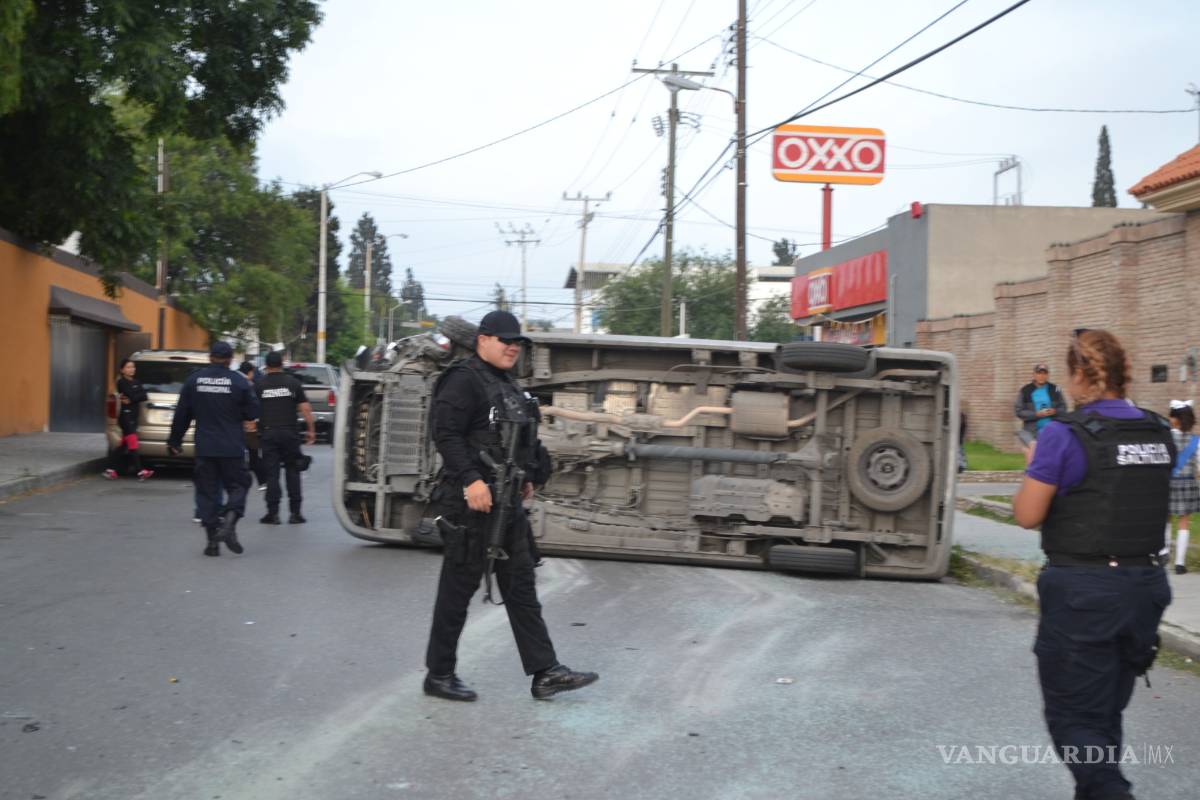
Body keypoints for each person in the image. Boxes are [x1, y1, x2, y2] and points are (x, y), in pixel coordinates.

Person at [1013, 329, 1173, 800]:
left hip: (1086, 594)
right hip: (1144, 588)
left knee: (1075, 721)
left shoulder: (1064, 433)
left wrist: (1035, 463)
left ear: (1080, 375)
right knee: (1103, 716)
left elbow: (1027, 515)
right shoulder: (1156, 429)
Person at [423, 310, 598, 702]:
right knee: (457, 591)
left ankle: (545, 672)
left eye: (517, 343)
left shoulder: (508, 385)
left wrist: (532, 475)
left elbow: (521, 440)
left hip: (506, 505)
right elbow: (445, 433)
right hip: (470, 506)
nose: (512, 348)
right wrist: (471, 479)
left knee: (521, 589)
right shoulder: (463, 379)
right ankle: (439, 674)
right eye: (505, 341)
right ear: (483, 339)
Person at [168, 341, 259, 557]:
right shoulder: (239, 382)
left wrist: (174, 441)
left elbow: (182, 414)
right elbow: (253, 411)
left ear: (210, 357)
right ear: (230, 360)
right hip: (231, 447)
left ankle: (212, 544)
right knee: (240, 485)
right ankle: (229, 521)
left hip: (205, 447)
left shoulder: (194, 381)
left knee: (207, 493)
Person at [255, 351, 316, 525]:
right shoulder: (293, 383)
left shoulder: (259, 385)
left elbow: (252, 410)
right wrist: (311, 430)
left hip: (268, 433)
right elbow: (305, 409)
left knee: (272, 474)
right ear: (282, 364)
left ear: (266, 366)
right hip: (290, 434)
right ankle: (295, 513)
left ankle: (272, 514)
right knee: (293, 471)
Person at [102, 358, 153, 481]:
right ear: (122, 370)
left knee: (123, 445)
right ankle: (140, 471)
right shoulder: (121, 382)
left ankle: (110, 470)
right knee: (133, 443)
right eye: (128, 367)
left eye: (133, 367)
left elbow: (144, 396)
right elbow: (132, 394)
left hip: (134, 416)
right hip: (125, 416)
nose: (132, 369)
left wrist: (132, 398)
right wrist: (134, 396)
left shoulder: (137, 381)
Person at [1166, 400, 1200, 575]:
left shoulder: (1165, 437)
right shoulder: (1196, 440)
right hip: (1187, 483)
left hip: (1167, 482)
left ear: (1174, 419)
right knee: (1184, 522)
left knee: (1166, 519)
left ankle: (1163, 554)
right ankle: (1180, 563)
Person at [1014, 362, 1068, 441]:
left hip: (1052, 431)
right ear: (1034, 374)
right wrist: (1036, 414)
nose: (1042, 376)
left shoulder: (1056, 388)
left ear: (1047, 375)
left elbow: (1063, 407)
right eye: (1039, 373)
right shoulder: (1025, 390)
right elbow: (1018, 411)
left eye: (1044, 373)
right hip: (1032, 433)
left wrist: (1055, 411)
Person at [238, 360, 268, 491]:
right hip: (250, 427)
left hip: (235, 426)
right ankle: (263, 481)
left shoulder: (234, 381)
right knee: (254, 454)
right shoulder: (249, 385)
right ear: (250, 372)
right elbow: (254, 408)